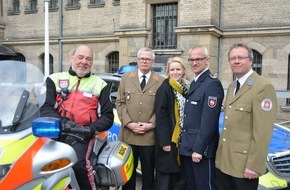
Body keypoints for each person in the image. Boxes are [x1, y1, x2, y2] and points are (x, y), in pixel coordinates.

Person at [40, 44, 114, 190]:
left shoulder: (100, 85)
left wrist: (89, 129)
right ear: (71, 58)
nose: (84, 62)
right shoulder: (54, 79)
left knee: (80, 165)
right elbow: (45, 108)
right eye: (80, 57)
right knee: (42, 163)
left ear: (92, 62)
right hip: (57, 131)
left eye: (88, 59)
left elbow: (108, 117)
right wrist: (66, 124)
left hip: (83, 135)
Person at [215, 43, 277, 190]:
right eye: (232, 58)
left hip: (244, 167)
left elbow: (263, 131)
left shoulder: (263, 87)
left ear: (250, 60)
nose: (236, 61)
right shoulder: (232, 87)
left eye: (240, 58)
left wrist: (254, 165)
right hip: (224, 162)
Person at [116, 47, 164, 190]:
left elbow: (162, 108)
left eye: (148, 59)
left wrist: (151, 124)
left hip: (148, 137)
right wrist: (129, 123)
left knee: (148, 175)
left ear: (152, 61)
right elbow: (120, 102)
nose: (145, 61)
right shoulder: (126, 78)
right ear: (137, 60)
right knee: (127, 174)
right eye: (142, 58)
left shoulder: (161, 81)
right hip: (128, 136)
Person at [179, 45, 224, 190]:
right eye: (191, 60)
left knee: (204, 186)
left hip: (200, 151)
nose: (194, 63)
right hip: (188, 147)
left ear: (207, 60)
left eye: (198, 59)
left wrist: (199, 149)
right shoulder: (195, 82)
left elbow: (208, 121)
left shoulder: (212, 84)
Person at [154, 57, 189, 190]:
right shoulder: (165, 88)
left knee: (177, 178)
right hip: (169, 140)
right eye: (172, 69)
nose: (175, 72)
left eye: (178, 69)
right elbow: (161, 116)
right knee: (165, 178)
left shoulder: (185, 88)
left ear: (183, 71)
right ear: (168, 72)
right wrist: (165, 142)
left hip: (181, 140)